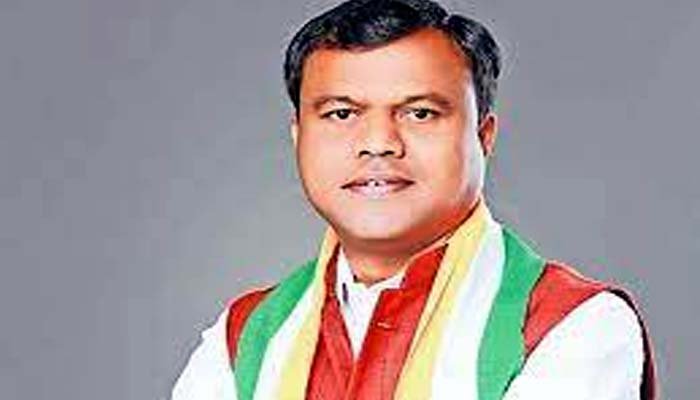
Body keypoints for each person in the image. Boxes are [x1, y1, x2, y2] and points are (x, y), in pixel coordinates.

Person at [172, 0, 656, 399]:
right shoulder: (244, 339)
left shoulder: (572, 325)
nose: (378, 143)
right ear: (298, 137)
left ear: (483, 136)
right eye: (342, 114)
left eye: (420, 113)